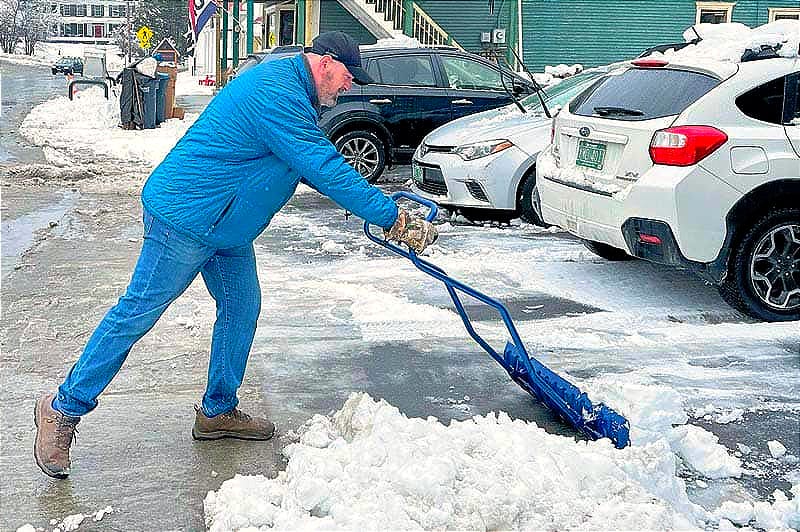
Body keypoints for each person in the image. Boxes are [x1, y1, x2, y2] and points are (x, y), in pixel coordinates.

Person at [33, 31, 437, 479]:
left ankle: (217, 411)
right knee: (137, 314)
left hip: (226, 226)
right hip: (185, 218)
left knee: (242, 307)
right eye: (346, 75)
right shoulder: (276, 91)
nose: (348, 86)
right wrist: (391, 217)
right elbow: (321, 164)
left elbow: (292, 161)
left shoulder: (294, 87)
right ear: (324, 62)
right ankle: (62, 409)